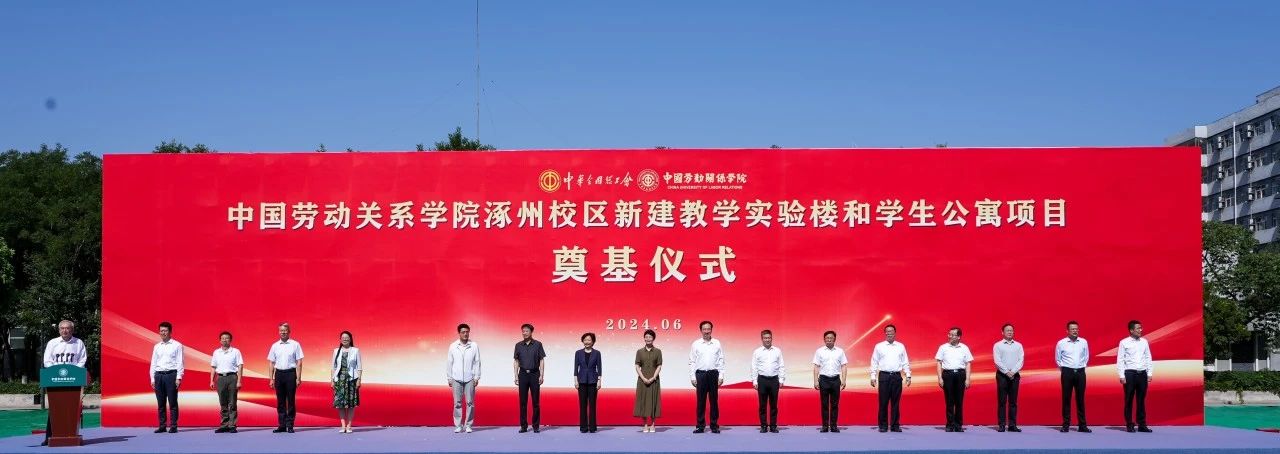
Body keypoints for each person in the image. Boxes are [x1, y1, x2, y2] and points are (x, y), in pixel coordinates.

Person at [41, 320, 88, 446]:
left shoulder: (78, 343)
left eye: (67, 328)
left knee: (71, 408)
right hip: (55, 380)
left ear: (72, 330)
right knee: (55, 409)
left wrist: (72, 372)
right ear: (59, 330)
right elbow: (47, 361)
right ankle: (49, 437)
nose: (64, 330)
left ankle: (71, 435)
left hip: (73, 380)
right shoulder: (52, 343)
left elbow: (82, 360)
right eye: (62, 328)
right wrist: (55, 372)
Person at [870, 324, 911, 433]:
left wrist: (908, 375)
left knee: (895, 403)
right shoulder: (879, 346)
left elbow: (905, 362)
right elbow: (874, 362)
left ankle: (895, 425)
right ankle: (883, 425)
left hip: (896, 376)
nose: (889, 333)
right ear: (885, 333)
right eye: (887, 331)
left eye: (891, 331)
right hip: (884, 376)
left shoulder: (900, 346)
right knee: (883, 402)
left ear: (895, 332)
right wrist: (873, 376)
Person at [689, 320, 725, 433]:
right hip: (701, 374)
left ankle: (714, 425)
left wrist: (721, 375)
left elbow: (721, 360)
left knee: (714, 401)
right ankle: (700, 426)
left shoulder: (717, 343)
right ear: (701, 330)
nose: (706, 331)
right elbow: (692, 361)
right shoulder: (696, 344)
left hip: (713, 374)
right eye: (704, 329)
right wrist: (693, 377)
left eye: (708, 329)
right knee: (701, 401)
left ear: (711, 330)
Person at [267, 322, 304, 433]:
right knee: (280, 401)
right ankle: (282, 425)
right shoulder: (275, 345)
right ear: (279, 332)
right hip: (279, 374)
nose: (283, 332)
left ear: (289, 332)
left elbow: (299, 362)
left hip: (290, 374)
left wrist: (298, 378)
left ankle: (290, 425)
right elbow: (271, 363)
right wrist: (271, 378)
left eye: (285, 330)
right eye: (281, 331)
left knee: (291, 400)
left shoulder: (295, 344)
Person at [1118, 320, 1153, 433]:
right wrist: (1121, 375)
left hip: (1142, 373)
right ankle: (1129, 424)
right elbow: (1120, 359)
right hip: (1130, 373)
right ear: (1131, 330)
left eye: (1141, 328)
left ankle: (1142, 424)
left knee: (1141, 400)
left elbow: (1148, 357)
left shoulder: (1144, 342)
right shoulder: (1124, 342)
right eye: (1138, 328)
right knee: (1129, 399)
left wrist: (1149, 373)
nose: (1140, 330)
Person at [935, 327, 973, 432]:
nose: (950, 336)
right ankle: (950, 425)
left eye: (953, 335)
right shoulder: (943, 347)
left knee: (959, 401)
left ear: (959, 337)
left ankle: (958, 425)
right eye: (949, 334)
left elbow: (968, 363)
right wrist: (940, 378)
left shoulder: (964, 348)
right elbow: (939, 363)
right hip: (948, 375)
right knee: (949, 401)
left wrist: (968, 379)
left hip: (960, 375)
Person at [149, 321, 185, 434]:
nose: (163, 333)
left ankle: (173, 425)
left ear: (170, 332)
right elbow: (153, 363)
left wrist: (178, 377)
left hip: (171, 375)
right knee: (161, 403)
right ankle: (162, 425)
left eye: (165, 331)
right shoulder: (157, 346)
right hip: (159, 375)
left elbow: (180, 362)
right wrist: (152, 378)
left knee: (172, 402)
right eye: (161, 331)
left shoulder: (177, 345)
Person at [1056, 320, 1090, 433]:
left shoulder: (1083, 342)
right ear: (1067, 331)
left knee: (1080, 399)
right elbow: (1058, 359)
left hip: (1080, 372)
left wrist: (1081, 366)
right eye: (1072, 329)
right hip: (1067, 372)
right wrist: (1065, 369)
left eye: (1076, 329)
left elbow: (1086, 356)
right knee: (1066, 398)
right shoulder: (1061, 343)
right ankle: (1066, 425)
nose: (1075, 331)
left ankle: (1082, 425)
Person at [447, 323, 481, 433]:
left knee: (470, 402)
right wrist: (449, 378)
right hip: (456, 378)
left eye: (467, 332)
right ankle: (458, 425)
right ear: (459, 333)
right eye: (463, 332)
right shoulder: (453, 346)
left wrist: (476, 377)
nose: (465, 334)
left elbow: (477, 362)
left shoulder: (474, 345)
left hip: (470, 378)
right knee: (457, 403)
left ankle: (468, 425)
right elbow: (449, 362)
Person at [513, 323, 546, 433]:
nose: (524, 333)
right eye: (523, 331)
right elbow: (516, 361)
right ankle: (523, 426)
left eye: (527, 331)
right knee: (523, 402)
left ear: (531, 332)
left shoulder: (538, 344)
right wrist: (516, 375)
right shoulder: (518, 345)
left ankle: (536, 426)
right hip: (522, 374)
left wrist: (541, 375)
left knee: (535, 402)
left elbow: (541, 360)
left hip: (534, 374)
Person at [812, 330, 847, 433]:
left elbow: (844, 366)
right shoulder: (819, 351)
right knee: (824, 404)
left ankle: (834, 426)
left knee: (835, 404)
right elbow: (816, 366)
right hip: (824, 379)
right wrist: (815, 381)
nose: (829, 340)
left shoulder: (840, 351)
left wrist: (844, 380)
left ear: (834, 339)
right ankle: (824, 426)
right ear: (824, 339)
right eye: (827, 338)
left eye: (831, 338)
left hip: (835, 379)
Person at [751, 329, 785, 434]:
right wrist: (754, 381)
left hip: (774, 380)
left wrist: (781, 379)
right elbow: (754, 367)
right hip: (762, 380)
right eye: (765, 338)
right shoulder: (757, 352)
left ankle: (773, 426)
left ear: (771, 338)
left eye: (769, 338)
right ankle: (764, 426)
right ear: (762, 339)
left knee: (774, 405)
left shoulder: (777, 351)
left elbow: (781, 365)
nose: (767, 340)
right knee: (762, 405)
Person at [209, 331, 243, 433]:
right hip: (220, 378)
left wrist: (239, 381)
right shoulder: (216, 352)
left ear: (230, 340)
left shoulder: (236, 351)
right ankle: (224, 425)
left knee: (232, 402)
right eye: (223, 338)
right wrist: (211, 380)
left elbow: (240, 366)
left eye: (227, 338)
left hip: (232, 377)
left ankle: (232, 425)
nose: (225, 340)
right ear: (220, 340)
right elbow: (213, 367)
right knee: (223, 402)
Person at [992, 323, 1023, 433]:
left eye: (1011, 330)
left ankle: (1012, 425)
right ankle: (1001, 425)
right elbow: (997, 361)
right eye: (1007, 330)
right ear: (1003, 332)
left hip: (1015, 375)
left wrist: (1013, 371)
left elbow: (1021, 360)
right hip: (1002, 376)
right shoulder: (998, 345)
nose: (1010, 332)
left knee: (1013, 402)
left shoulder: (1018, 345)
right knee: (1002, 401)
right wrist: (1006, 372)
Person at [331, 331, 362, 434]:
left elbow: (359, 367)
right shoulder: (336, 351)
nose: (345, 339)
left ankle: (349, 426)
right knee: (340, 404)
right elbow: (333, 367)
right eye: (343, 337)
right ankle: (343, 426)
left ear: (350, 339)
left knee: (351, 404)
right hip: (339, 379)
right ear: (340, 339)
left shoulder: (356, 350)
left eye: (347, 337)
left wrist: (359, 380)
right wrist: (332, 380)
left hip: (351, 379)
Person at [634, 329, 663, 433]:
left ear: (653, 338)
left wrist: (653, 378)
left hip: (654, 380)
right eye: (646, 337)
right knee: (643, 401)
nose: (648, 339)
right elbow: (637, 366)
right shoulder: (639, 351)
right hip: (642, 380)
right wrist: (643, 378)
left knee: (654, 401)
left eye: (650, 337)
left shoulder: (658, 351)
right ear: (644, 338)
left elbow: (659, 366)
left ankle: (653, 424)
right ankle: (645, 424)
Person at [574, 332, 602, 433]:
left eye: (589, 340)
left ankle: (593, 427)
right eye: (585, 340)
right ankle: (583, 427)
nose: (587, 342)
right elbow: (575, 368)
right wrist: (575, 380)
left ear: (593, 341)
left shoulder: (597, 353)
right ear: (583, 341)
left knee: (592, 405)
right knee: (582, 405)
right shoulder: (578, 353)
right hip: (581, 381)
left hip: (593, 381)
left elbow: (599, 367)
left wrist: (599, 381)